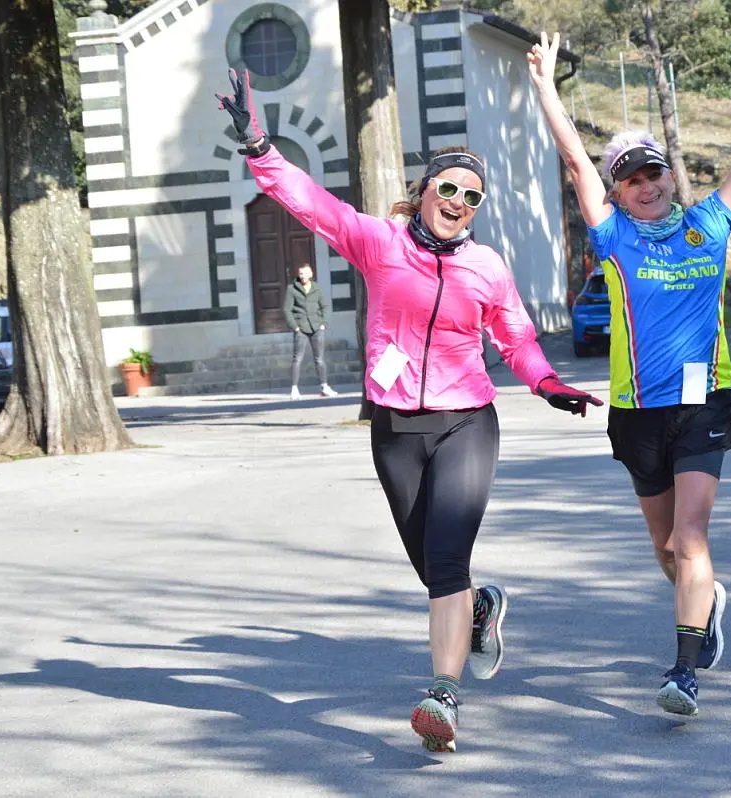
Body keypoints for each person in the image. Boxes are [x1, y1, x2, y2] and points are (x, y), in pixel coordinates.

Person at [216, 70, 602, 752]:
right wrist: (258, 147)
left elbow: (515, 338)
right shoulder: (378, 242)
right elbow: (309, 204)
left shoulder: (486, 267)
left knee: (446, 562)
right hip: (394, 428)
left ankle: (443, 696)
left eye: (470, 196)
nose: (457, 201)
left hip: (465, 422)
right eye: (448, 187)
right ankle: (480, 610)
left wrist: (547, 385)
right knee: (431, 567)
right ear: (425, 190)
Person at [528, 30, 731, 716]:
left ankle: (683, 669)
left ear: (671, 177)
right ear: (619, 189)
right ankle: (706, 602)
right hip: (636, 411)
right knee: (667, 549)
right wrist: (547, 88)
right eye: (631, 179)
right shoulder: (612, 237)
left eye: (654, 174)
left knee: (691, 538)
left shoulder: (708, 223)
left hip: (702, 398)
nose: (645, 186)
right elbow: (575, 162)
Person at [283, 263, 336, 399]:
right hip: (301, 328)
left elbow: (325, 306)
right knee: (297, 359)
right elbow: (287, 309)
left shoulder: (317, 289)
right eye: (301, 273)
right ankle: (294, 389)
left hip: (316, 327)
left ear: (311, 274)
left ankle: (325, 387)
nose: (303, 276)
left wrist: (324, 324)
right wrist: (295, 326)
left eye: (305, 273)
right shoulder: (292, 289)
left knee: (319, 359)